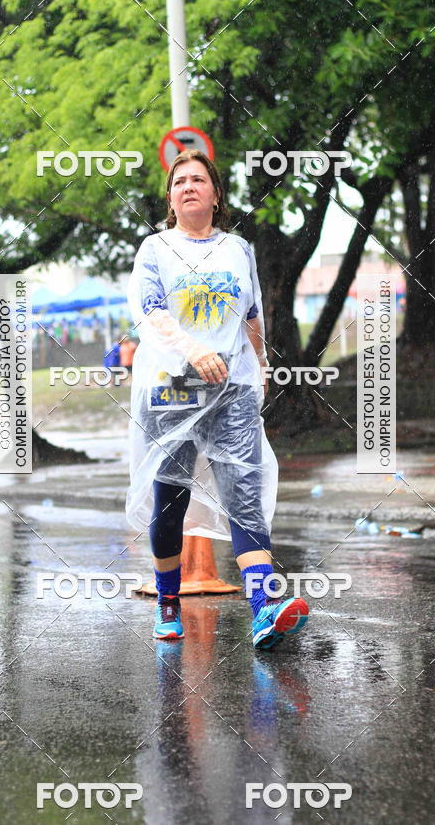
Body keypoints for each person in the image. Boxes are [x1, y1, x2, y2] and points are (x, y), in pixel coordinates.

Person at [125, 149, 309, 650]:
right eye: (179, 181)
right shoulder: (156, 248)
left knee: (245, 499)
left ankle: (264, 610)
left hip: (232, 389)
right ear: (170, 197)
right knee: (171, 500)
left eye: (198, 180)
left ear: (215, 193)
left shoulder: (237, 249)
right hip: (173, 387)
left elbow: (252, 315)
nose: (188, 186)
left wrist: (262, 365)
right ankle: (168, 604)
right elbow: (151, 312)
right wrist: (194, 350)